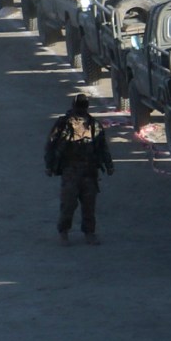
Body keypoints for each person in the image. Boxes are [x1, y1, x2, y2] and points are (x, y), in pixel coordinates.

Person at [44, 94, 114, 242]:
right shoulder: (63, 124)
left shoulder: (93, 124)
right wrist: (49, 165)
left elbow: (102, 147)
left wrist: (108, 165)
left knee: (89, 204)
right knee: (68, 202)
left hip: (89, 170)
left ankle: (89, 232)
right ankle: (64, 231)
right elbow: (51, 144)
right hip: (71, 169)